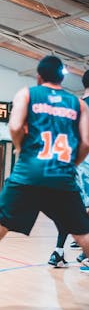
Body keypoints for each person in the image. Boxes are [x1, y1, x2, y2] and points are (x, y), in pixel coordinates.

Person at [0, 55, 89, 309]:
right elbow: (86, 143)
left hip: (28, 175)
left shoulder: (28, 94)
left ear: (39, 76)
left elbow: (14, 127)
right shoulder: (78, 104)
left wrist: (20, 148)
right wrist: (71, 165)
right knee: (84, 234)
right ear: (62, 78)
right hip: (62, 176)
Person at [48, 69, 89, 269]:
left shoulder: (72, 106)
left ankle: (59, 251)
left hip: (67, 163)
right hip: (85, 163)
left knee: (71, 208)